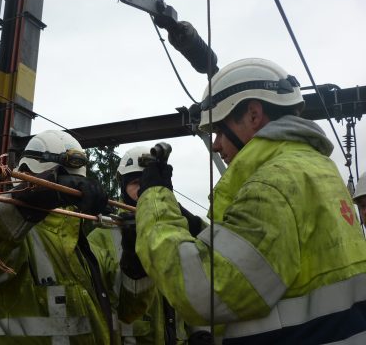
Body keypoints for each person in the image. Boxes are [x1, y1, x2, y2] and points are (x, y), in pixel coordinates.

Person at [134, 58, 366, 344]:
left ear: (254, 114)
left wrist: (154, 199)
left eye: (219, 130)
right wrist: (202, 232)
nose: (216, 144)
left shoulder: (273, 184)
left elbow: (201, 292)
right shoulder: (320, 170)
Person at [0, 130, 153, 345]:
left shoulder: (88, 251)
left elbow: (128, 310)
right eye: (60, 180)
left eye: (72, 182)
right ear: (27, 174)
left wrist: (135, 259)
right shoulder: (17, 239)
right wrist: (31, 201)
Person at [89, 146, 211, 344]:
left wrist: (200, 330)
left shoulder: (175, 229)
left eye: (147, 182)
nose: (142, 190)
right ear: (123, 188)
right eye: (136, 183)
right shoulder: (101, 237)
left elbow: (194, 284)